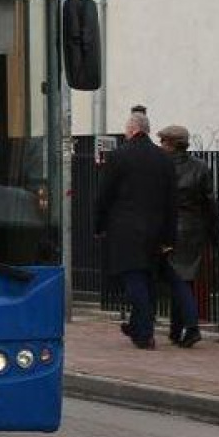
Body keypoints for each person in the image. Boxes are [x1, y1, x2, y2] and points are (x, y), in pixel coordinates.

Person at [95, 112, 178, 349]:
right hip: (155, 230)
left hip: (125, 230)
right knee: (147, 280)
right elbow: (172, 201)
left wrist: (99, 225)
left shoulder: (119, 156)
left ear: (132, 130)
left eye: (125, 129)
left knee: (133, 279)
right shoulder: (164, 159)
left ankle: (144, 332)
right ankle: (137, 326)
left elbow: (104, 195)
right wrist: (169, 236)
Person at [158, 125, 216, 347]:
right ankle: (176, 328)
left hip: (171, 229)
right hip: (194, 229)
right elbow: (209, 201)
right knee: (185, 279)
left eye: (163, 142)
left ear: (171, 144)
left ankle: (191, 327)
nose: (161, 146)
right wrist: (214, 229)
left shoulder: (163, 168)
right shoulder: (200, 167)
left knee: (176, 280)